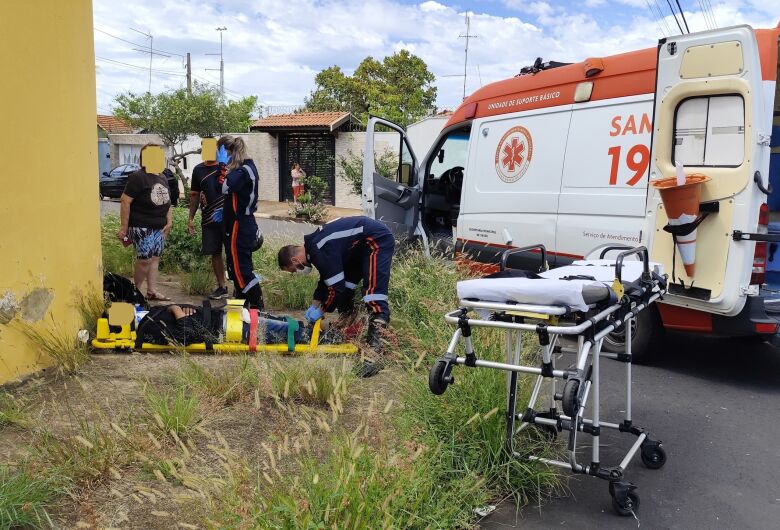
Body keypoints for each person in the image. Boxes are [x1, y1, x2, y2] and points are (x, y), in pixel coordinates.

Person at [277, 216, 395, 351]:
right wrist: (314, 305)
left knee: (374, 296)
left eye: (293, 270)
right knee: (346, 290)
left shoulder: (319, 249)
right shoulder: (315, 247)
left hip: (375, 239)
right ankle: (350, 327)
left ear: (294, 260)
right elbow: (326, 278)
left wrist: (321, 311)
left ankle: (375, 350)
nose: (296, 272)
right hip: (357, 249)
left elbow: (336, 289)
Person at [117, 144, 172, 302]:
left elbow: (167, 201)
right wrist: (124, 227)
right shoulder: (138, 177)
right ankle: (134, 293)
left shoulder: (162, 176)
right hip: (141, 225)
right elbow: (125, 201)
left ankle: (152, 291)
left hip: (159, 227)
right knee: (145, 260)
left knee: (155, 258)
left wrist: (170, 221)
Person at [217, 136, 263, 309]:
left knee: (240, 270)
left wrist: (222, 167)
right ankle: (242, 307)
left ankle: (257, 307)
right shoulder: (243, 169)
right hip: (237, 223)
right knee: (234, 268)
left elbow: (223, 186)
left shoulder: (243, 170)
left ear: (227, 153)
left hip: (240, 225)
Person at [188, 139, 228, 299]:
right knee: (215, 252)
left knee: (232, 252)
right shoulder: (198, 170)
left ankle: (239, 286)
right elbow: (194, 196)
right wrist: (190, 218)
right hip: (209, 218)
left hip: (228, 217)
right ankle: (222, 286)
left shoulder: (225, 167)